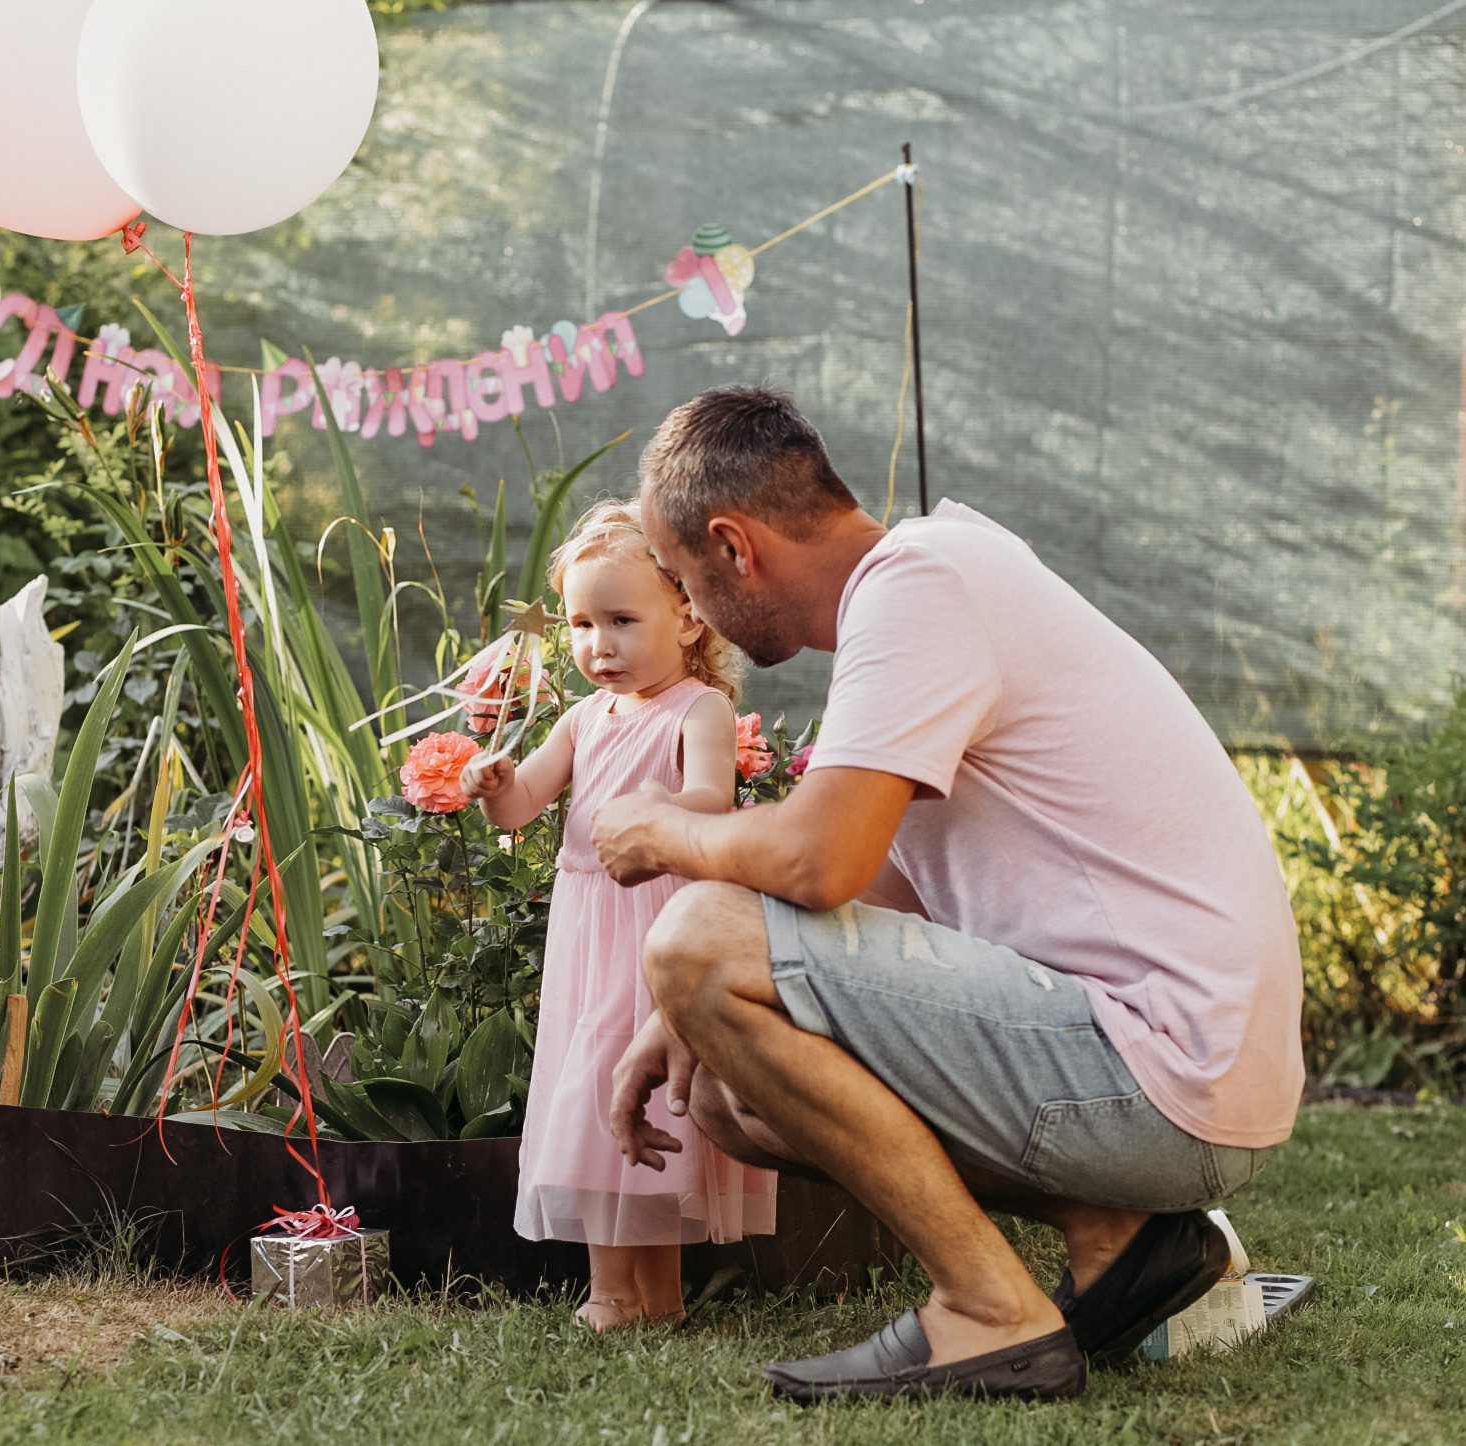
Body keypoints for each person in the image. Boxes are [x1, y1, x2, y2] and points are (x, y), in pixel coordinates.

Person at [595, 387, 1303, 1401]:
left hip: (1166, 1067)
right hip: (1177, 1071)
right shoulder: (936, 583)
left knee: (696, 934)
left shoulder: (920, 589)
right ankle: (1118, 1234)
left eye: (681, 580)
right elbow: (872, 897)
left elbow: (816, 866)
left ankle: (988, 1312)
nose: (690, 611)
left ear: (733, 546)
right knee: (727, 1097)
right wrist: (687, 1019)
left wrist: (662, 827)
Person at [460, 501, 777, 1330]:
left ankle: (653, 1294)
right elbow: (524, 804)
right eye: (580, 623)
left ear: (686, 618)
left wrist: (659, 807)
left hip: (653, 922)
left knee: (641, 1089)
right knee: (590, 1088)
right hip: (586, 928)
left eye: (621, 620)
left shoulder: (696, 709)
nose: (598, 644)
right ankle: (613, 1290)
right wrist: (495, 786)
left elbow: (712, 796)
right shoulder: (581, 718)